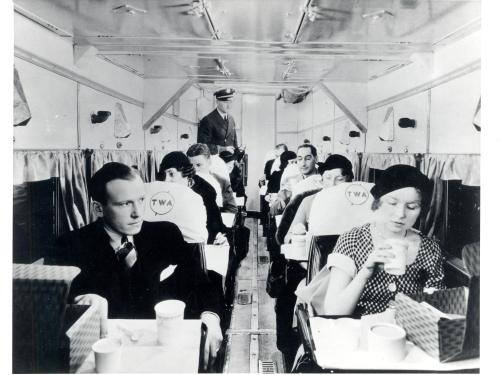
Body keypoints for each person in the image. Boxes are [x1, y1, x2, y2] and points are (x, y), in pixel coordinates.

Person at [54, 162, 223, 369]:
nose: (137, 213)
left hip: (166, 354)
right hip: (109, 361)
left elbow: (204, 280)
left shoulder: (165, 234)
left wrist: (211, 317)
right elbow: (57, 318)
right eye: (125, 204)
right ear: (98, 208)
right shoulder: (69, 247)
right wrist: (78, 306)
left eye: (141, 200)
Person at [298, 164, 445, 316]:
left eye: (412, 207)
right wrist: (365, 272)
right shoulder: (352, 241)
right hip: (358, 330)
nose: (400, 214)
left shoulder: (430, 249)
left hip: (408, 331)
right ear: (377, 203)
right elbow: (333, 310)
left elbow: (436, 309)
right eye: (392, 203)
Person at [278, 154, 354, 245]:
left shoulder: (356, 202)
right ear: (322, 180)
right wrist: (298, 236)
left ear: (349, 181)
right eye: (328, 178)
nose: (332, 184)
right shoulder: (309, 201)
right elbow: (287, 238)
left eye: (339, 179)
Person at [158, 151, 227, 245]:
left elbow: (213, 225)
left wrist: (216, 236)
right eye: (163, 175)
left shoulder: (205, 191)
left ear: (185, 174)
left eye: (171, 174)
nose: (166, 180)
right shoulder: (162, 190)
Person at [187, 143, 238, 213]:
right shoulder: (184, 182)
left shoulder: (222, 182)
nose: (194, 170)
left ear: (209, 163)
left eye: (198, 165)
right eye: (191, 166)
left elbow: (231, 209)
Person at [197, 88, 238, 152]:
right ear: (217, 102)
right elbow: (203, 146)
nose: (229, 106)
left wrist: (237, 156)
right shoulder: (207, 120)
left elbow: (235, 142)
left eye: (230, 102)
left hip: (230, 160)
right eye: (225, 102)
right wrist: (223, 149)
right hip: (215, 160)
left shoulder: (231, 119)